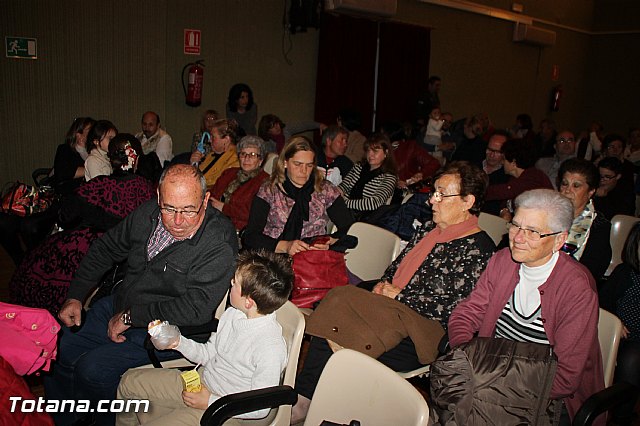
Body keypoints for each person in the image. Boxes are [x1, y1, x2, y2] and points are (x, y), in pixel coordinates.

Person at [291, 162, 496, 423]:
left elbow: (453, 309)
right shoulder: (428, 230)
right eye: (434, 191)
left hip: (423, 328)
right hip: (391, 310)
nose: (432, 200)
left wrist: (398, 295)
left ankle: (320, 404)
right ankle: (311, 399)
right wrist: (383, 284)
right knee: (336, 301)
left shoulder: (478, 249)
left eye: (442, 194)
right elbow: (396, 268)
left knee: (344, 324)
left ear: (468, 201)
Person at [44, 164, 238, 425]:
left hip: (169, 331)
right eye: (169, 208)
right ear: (158, 197)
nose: (178, 220)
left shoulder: (218, 241)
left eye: (189, 210)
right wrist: (76, 295)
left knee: (93, 370)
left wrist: (131, 317)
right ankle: (68, 419)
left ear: (205, 200)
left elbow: (195, 309)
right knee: (56, 347)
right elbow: (106, 248)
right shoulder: (147, 214)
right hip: (122, 303)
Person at [448, 189, 605, 426]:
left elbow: (564, 379)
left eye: (533, 232)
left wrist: (489, 380)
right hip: (487, 374)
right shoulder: (502, 260)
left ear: (560, 240)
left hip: (545, 396)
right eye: (516, 226)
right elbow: (466, 313)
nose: (518, 238)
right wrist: (464, 356)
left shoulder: (577, 288)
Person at [117, 249, 293, 424]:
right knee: (128, 382)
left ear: (249, 302)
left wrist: (209, 402)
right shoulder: (233, 314)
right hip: (203, 381)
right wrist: (177, 342)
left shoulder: (269, 347)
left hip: (225, 411)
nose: (230, 283)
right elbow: (209, 355)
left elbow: (260, 408)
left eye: (235, 283)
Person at [9, 133, 154, 314]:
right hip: (124, 253)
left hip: (84, 249)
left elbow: (66, 216)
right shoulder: (148, 190)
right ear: (136, 160)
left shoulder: (97, 185)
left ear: (110, 159)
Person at [0, 117, 95, 266]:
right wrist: (92, 169)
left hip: (69, 204)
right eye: (91, 131)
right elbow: (64, 173)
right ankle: (21, 261)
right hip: (53, 197)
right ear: (78, 134)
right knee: (4, 222)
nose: (94, 135)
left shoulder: (95, 154)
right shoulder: (65, 150)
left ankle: (34, 262)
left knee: (29, 226)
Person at [243, 136, 354, 256]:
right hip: (274, 256)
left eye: (309, 165)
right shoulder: (269, 190)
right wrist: (285, 246)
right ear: (285, 163)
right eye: (297, 164)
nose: (304, 171)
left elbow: (349, 228)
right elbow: (251, 236)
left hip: (312, 259)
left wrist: (331, 241)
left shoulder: (325, 190)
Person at [599, 222, 640, 425]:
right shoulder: (625, 272)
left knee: (632, 358)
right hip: (621, 332)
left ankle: (623, 415)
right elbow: (602, 302)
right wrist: (616, 322)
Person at [557, 158, 612, 282]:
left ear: (591, 191)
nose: (567, 190)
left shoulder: (599, 226)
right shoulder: (545, 213)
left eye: (576, 186)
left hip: (574, 286)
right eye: (564, 184)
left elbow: (591, 273)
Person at [208, 135, 270, 231]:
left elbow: (255, 215)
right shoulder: (229, 173)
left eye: (252, 155)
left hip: (238, 230)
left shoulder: (265, 181)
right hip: (213, 221)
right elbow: (212, 194)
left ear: (260, 160)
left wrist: (224, 208)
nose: (246, 158)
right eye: (243, 154)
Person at [485, 138, 553, 220]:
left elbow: (504, 191)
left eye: (504, 159)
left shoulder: (534, 176)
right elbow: (506, 200)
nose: (502, 162)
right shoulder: (515, 178)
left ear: (513, 162)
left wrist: (477, 192)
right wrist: (504, 210)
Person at [338, 133, 398, 220]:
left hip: (366, 218)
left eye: (375, 151)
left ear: (386, 153)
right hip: (346, 211)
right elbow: (343, 186)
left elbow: (375, 203)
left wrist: (345, 203)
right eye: (368, 150)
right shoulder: (358, 167)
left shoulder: (389, 177)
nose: (370, 155)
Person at [190, 118, 240, 188]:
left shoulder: (236, 159)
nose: (210, 140)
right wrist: (194, 164)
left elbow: (216, 185)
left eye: (213, 137)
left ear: (226, 140)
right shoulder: (211, 155)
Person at [258, 113, 325, 154]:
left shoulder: (286, 130)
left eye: (276, 124)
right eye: (272, 127)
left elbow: (303, 125)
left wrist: (319, 125)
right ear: (268, 131)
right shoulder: (267, 143)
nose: (276, 127)